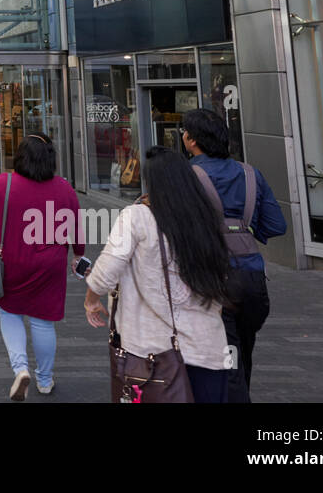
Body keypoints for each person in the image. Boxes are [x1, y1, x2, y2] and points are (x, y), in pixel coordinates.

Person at [84, 147, 232, 403]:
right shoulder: (205, 217)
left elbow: (106, 271)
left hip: (154, 356)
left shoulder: (136, 217)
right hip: (209, 350)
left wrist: (91, 300)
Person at [180, 108, 286, 403]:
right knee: (241, 354)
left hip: (213, 278)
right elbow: (277, 225)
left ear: (191, 140)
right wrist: (241, 231)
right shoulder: (250, 173)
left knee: (227, 362)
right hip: (252, 278)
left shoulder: (190, 176)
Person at [0, 133, 83, 399]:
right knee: (43, 323)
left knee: (9, 312)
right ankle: (45, 380)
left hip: (13, 260)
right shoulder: (64, 188)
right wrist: (78, 255)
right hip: (51, 265)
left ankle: (21, 368)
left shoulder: (3, 184)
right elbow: (77, 230)